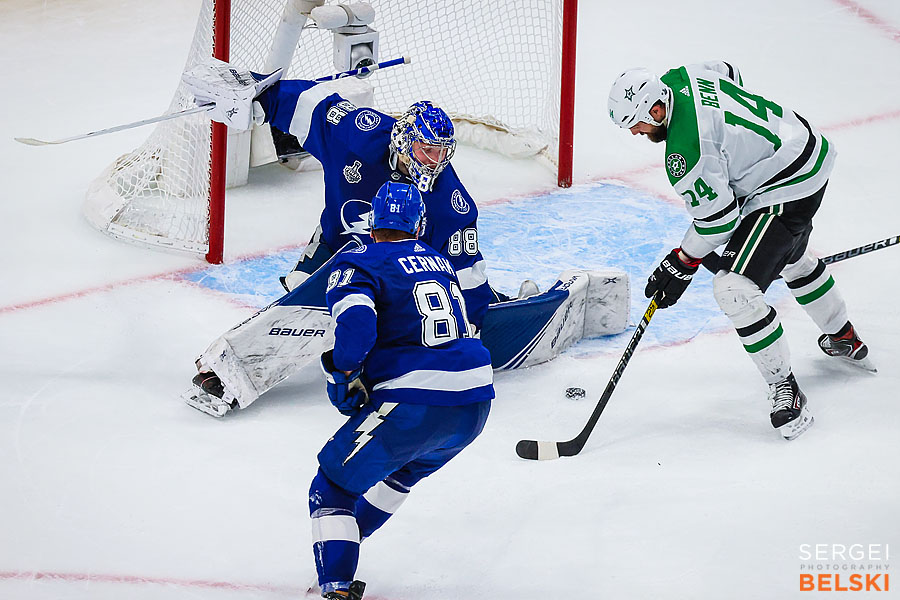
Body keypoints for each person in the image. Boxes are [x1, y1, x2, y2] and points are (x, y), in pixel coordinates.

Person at [180, 59, 545, 417]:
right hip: (336, 243)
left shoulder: (451, 206)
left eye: (442, 154)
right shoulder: (359, 133)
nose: (434, 162)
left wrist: (475, 321)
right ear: (402, 142)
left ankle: (504, 300)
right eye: (426, 150)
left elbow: (464, 274)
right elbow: (306, 102)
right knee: (304, 297)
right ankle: (240, 362)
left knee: (374, 310)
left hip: (398, 268)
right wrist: (253, 93)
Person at [607, 61, 874, 441]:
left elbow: (718, 222)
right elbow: (728, 72)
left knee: (733, 287)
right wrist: (739, 149)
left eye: (637, 123)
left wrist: (681, 262)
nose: (635, 132)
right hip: (803, 145)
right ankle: (843, 336)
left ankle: (786, 389)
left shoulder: (686, 152)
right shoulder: (681, 75)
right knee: (789, 256)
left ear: (656, 109)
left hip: (787, 184)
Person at [311, 181, 493, 599]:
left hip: (416, 399)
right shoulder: (440, 261)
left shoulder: (359, 261)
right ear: (418, 224)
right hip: (475, 404)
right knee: (398, 475)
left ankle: (337, 589)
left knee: (331, 489)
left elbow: (357, 326)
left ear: (374, 222)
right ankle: (344, 546)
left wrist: (342, 372)